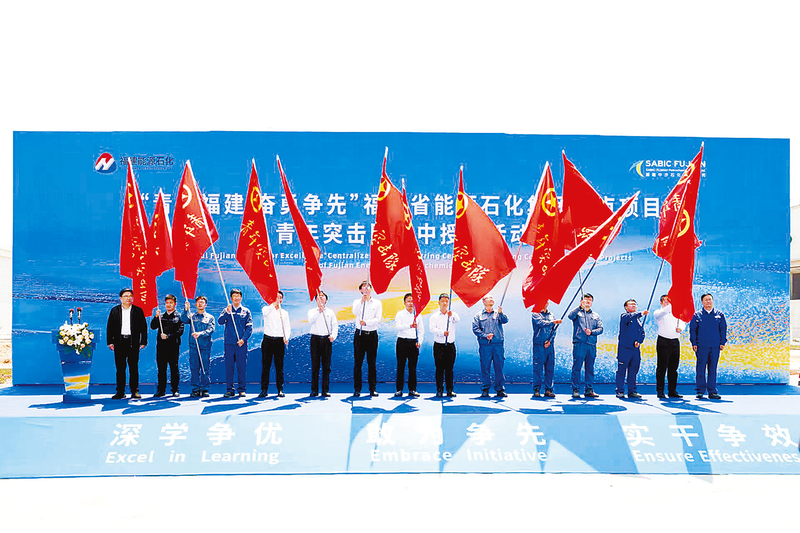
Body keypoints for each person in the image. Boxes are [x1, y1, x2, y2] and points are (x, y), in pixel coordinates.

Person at [106, 288, 148, 399]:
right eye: (125, 296)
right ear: (120, 298)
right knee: (120, 368)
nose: (128, 298)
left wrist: (143, 341)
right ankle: (120, 391)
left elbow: (143, 327)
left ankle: (135, 391)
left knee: (133, 368)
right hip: (119, 342)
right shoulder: (114, 310)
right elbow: (109, 327)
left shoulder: (138, 310)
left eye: (130, 296)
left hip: (133, 342)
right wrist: (110, 341)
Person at [689, 293, 727, 400]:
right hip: (702, 346)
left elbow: (723, 329)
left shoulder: (719, 315)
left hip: (715, 346)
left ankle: (712, 391)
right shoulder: (697, 315)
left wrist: (722, 342)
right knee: (700, 369)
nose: (708, 302)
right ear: (702, 302)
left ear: (712, 301)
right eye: (706, 300)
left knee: (712, 369)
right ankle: (700, 391)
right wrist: (694, 343)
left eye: (710, 299)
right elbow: (693, 330)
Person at [218, 288, 253, 398]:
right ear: (231, 298)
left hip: (241, 344)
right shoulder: (227, 310)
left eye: (238, 296)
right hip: (229, 344)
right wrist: (227, 313)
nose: (236, 298)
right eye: (234, 296)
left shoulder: (246, 311)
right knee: (229, 368)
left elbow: (249, 328)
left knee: (241, 367)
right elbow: (220, 321)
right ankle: (230, 390)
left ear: (241, 298)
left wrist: (243, 339)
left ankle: (242, 389)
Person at [472, 294, 509, 398]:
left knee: (499, 368)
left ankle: (500, 389)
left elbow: (505, 320)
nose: (491, 299)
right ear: (484, 301)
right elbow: (475, 329)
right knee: (485, 367)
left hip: (498, 345)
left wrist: (501, 313)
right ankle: (485, 389)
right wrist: (485, 335)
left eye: (492, 298)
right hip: (485, 346)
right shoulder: (478, 315)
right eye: (489, 298)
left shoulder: (498, 313)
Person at [568, 293, 604, 398]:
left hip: (591, 344)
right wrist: (580, 307)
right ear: (581, 301)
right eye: (585, 299)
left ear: (592, 302)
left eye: (590, 300)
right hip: (580, 343)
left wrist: (592, 332)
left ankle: (589, 389)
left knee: (590, 368)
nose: (588, 301)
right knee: (577, 367)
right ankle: (575, 389)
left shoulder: (595, 315)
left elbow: (601, 329)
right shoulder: (577, 313)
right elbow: (570, 316)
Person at [150, 294, 184, 397]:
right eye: (167, 303)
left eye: (171, 303)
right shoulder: (161, 316)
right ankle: (161, 390)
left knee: (174, 368)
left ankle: (175, 389)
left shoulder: (179, 316)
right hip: (161, 347)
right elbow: (153, 326)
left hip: (173, 346)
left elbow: (180, 331)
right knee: (161, 369)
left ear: (175, 304)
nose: (168, 305)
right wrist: (156, 317)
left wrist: (168, 336)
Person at [181, 296, 215, 397]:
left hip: (205, 347)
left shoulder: (210, 317)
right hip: (194, 347)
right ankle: (195, 389)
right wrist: (185, 310)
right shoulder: (191, 316)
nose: (200, 304)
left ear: (205, 304)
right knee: (194, 369)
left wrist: (200, 334)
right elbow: (183, 319)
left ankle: (205, 389)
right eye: (198, 302)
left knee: (205, 369)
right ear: (196, 304)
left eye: (202, 302)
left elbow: (210, 330)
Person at [352, 281, 382, 397]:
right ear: (360, 290)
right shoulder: (357, 302)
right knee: (358, 363)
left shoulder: (377, 303)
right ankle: (357, 389)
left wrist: (367, 322)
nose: (366, 289)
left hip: (372, 335)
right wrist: (362, 301)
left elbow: (378, 319)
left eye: (368, 287)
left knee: (372, 363)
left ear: (371, 289)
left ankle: (372, 388)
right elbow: (355, 312)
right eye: (364, 287)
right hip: (360, 335)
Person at [260, 290, 291, 398]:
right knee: (266, 367)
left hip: (279, 341)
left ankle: (280, 389)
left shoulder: (284, 313)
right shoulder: (266, 309)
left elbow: (287, 327)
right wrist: (273, 303)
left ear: (282, 299)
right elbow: (265, 313)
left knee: (279, 367)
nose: (278, 299)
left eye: (280, 297)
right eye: (276, 297)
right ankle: (264, 390)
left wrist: (286, 337)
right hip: (268, 340)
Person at [653, 295, 685, 398]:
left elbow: (682, 322)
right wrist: (675, 302)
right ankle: (660, 391)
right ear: (661, 302)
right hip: (663, 342)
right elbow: (664, 311)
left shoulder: (676, 314)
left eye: (669, 301)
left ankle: (672, 391)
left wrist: (681, 328)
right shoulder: (658, 312)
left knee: (673, 368)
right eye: (666, 301)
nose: (668, 303)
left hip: (675, 342)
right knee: (662, 368)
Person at [307, 291, 338, 397]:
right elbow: (311, 321)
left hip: (326, 340)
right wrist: (319, 311)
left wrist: (333, 335)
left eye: (323, 296)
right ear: (316, 300)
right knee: (315, 366)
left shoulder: (330, 312)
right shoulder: (312, 311)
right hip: (315, 339)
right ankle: (314, 390)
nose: (321, 298)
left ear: (326, 299)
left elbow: (335, 326)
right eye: (319, 297)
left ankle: (325, 390)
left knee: (326, 366)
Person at [616, 299, 648, 399]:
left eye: (635, 304)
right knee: (621, 370)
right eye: (631, 304)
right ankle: (620, 391)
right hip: (624, 349)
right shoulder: (624, 316)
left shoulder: (638, 320)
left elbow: (642, 333)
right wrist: (641, 313)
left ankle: (632, 391)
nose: (634, 305)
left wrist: (639, 341)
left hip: (635, 350)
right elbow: (631, 316)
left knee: (633, 370)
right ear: (626, 307)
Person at [394, 293, 425, 397]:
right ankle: (399, 390)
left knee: (412, 368)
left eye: (412, 301)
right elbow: (398, 327)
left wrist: (419, 341)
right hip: (402, 342)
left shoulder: (418, 315)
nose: (410, 303)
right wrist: (410, 326)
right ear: (404, 303)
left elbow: (421, 331)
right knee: (400, 366)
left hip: (413, 343)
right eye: (408, 301)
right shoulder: (400, 314)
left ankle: (412, 389)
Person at [429, 293, 459, 397]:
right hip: (439, 345)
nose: (445, 303)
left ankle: (450, 389)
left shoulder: (452, 314)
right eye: (442, 301)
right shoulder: (434, 316)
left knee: (449, 368)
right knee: (439, 368)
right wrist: (442, 333)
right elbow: (432, 329)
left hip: (450, 345)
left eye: (446, 301)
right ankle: (439, 389)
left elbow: (457, 320)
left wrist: (451, 315)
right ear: (439, 303)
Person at [531, 302, 561, 398]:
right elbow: (540, 323)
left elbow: (554, 330)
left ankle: (548, 389)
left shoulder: (551, 314)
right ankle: (537, 389)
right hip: (539, 344)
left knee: (550, 367)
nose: (546, 302)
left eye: (547, 300)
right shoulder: (535, 313)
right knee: (538, 368)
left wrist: (550, 341)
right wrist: (553, 322)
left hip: (549, 345)